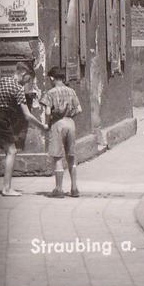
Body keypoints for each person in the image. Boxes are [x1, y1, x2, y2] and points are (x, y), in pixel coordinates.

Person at [0, 62, 48, 196]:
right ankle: (7, 188)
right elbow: (27, 116)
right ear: (24, 74)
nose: (27, 82)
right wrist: (42, 126)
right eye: (28, 79)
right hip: (1, 118)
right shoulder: (18, 89)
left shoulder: (2, 81)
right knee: (12, 151)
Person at [41, 66, 82, 198]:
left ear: (52, 78)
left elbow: (47, 112)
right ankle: (74, 188)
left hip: (57, 124)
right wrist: (69, 115)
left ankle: (59, 189)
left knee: (57, 156)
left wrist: (48, 122)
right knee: (71, 155)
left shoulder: (50, 93)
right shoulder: (71, 91)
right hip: (70, 123)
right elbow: (79, 109)